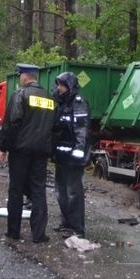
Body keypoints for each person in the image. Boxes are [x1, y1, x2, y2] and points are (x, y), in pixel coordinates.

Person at [0, 64, 56, 242]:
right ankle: (39, 234)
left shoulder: (20, 95)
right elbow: (54, 127)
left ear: (24, 76)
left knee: (16, 190)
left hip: (21, 151)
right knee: (38, 191)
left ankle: (13, 231)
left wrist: (3, 147)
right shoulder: (50, 98)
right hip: (41, 152)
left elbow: (11, 124)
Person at [52, 72, 91, 239]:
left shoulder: (78, 103)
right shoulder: (61, 103)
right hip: (61, 156)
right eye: (58, 84)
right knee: (61, 191)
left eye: (61, 84)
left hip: (73, 159)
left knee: (73, 192)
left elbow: (82, 131)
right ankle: (66, 223)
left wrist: (78, 154)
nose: (58, 88)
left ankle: (77, 228)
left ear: (69, 86)